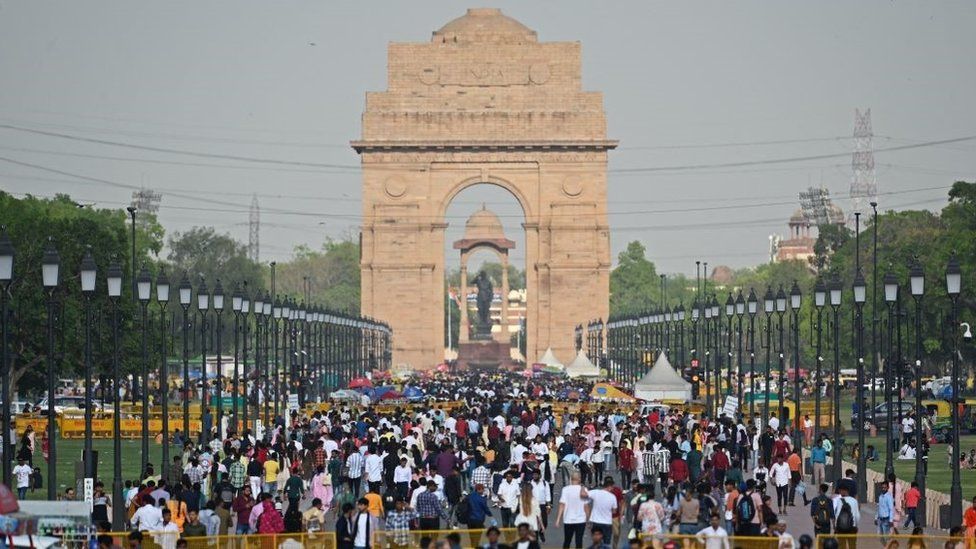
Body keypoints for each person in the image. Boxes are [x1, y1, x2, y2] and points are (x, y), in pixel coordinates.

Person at [556, 472, 589, 549]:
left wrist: (558, 519)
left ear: (571, 479)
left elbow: (562, 505)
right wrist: (588, 519)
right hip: (581, 520)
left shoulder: (565, 490)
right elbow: (586, 506)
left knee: (567, 541)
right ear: (579, 479)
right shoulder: (584, 490)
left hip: (568, 519)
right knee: (579, 541)